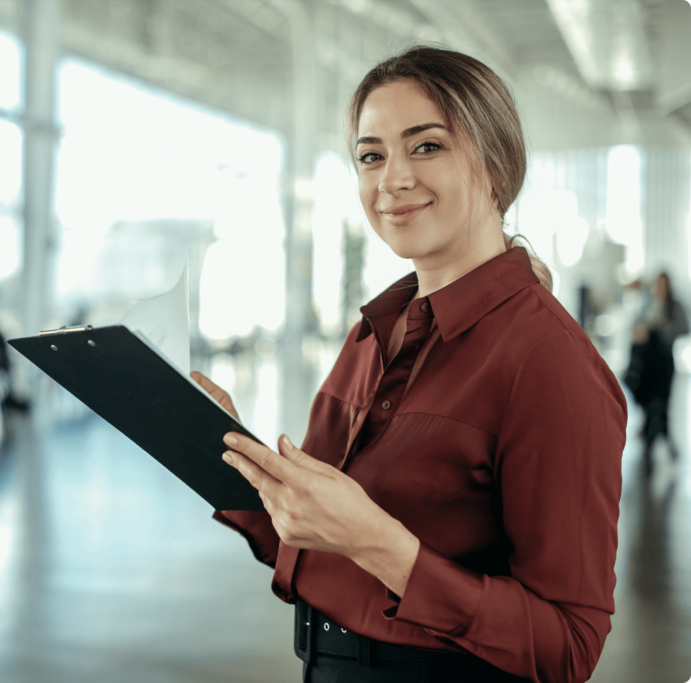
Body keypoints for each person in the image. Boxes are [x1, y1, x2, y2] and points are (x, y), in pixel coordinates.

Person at [192, 46, 626, 683]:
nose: (391, 179)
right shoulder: (373, 334)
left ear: (497, 166)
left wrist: (382, 545)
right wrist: (216, 450)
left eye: (425, 146)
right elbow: (316, 542)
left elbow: (568, 646)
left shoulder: (549, 362)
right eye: (371, 155)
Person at [626, 272, 687, 475]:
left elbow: (684, 327)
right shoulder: (647, 302)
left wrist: (662, 330)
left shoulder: (675, 306)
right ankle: (652, 451)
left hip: (665, 364)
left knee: (663, 406)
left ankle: (665, 443)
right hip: (647, 365)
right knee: (650, 408)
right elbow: (635, 325)